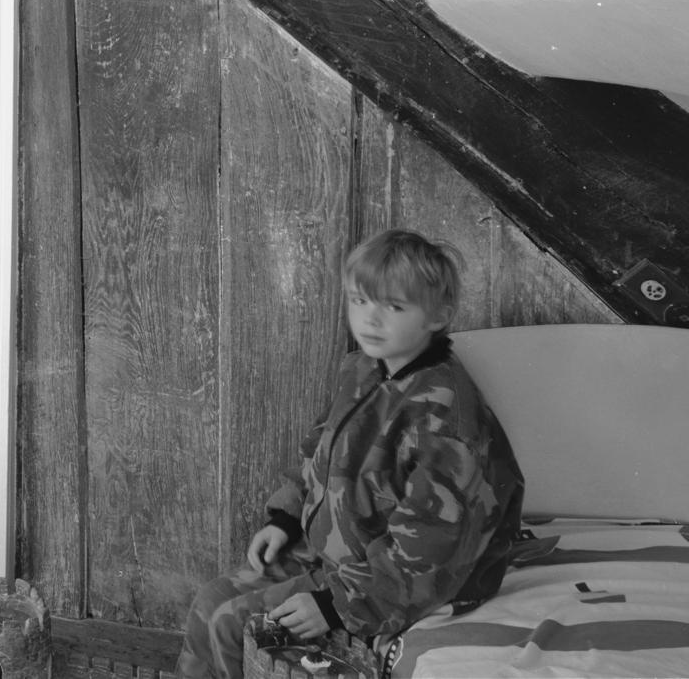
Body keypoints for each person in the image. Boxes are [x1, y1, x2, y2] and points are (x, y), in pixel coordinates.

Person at [177, 229, 523, 679]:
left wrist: (337, 606)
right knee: (210, 600)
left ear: (439, 315)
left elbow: (433, 548)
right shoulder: (362, 369)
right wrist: (285, 518)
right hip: (337, 549)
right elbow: (319, 447)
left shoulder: (447, 421)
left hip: (387, 580)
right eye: (360, 301)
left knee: (235, 624)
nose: (370, 321)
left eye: (393, 307)